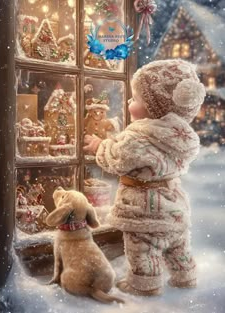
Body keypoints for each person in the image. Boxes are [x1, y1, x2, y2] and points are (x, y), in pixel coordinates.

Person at [84, 59, 206, 296]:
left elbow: (118, 158)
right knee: (178, 245)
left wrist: (100, 145)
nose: (130, 101)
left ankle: (144, 285)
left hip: (144, 209)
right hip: (173, 206)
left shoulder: (139, 135)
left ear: (154, 107)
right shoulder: (178, 136)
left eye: (136, 99)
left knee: (143, 248)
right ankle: (185, 275)